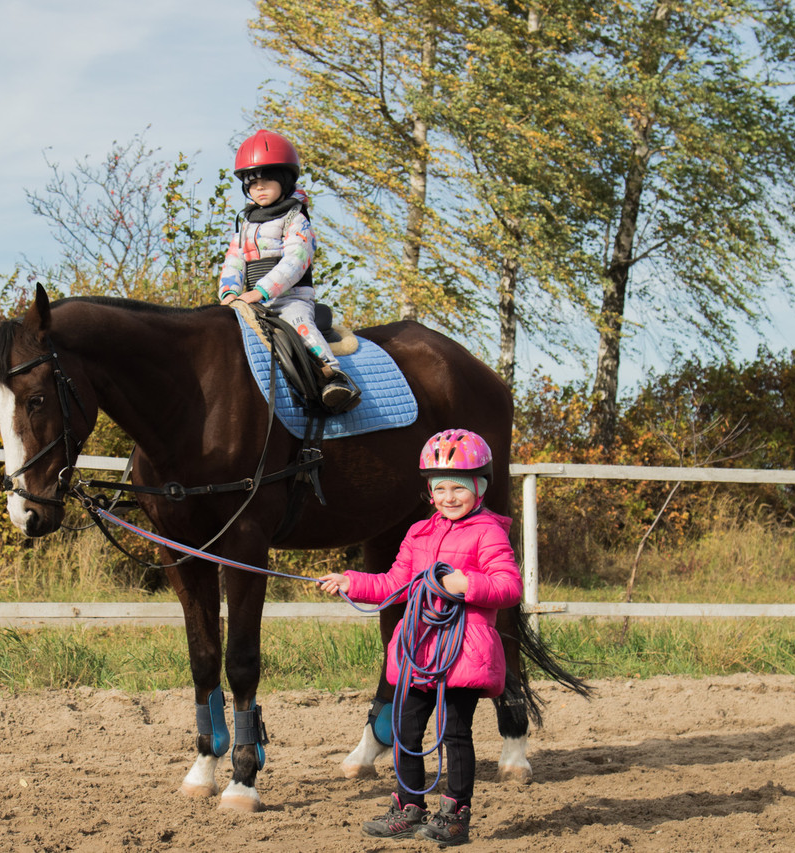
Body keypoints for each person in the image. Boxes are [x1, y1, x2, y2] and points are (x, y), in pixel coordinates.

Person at [317, 429, 522, 846]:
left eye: (459, 488)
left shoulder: (488, 533)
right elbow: (394, 582)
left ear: (480, 488)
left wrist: (470, 584)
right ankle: (409, 806)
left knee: (455, 733)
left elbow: (509, 586)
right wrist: (350, 582)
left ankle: (455, 814)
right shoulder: (419, 533)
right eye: (440, 488)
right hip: (418, 652)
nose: (448, 497)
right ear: (429, 491)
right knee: (405, 729)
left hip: (461, 653)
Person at [219, 129, 358, 412]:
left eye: (267, 180)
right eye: (252, 182)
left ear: (284, 179)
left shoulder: (296, 217)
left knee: (298, 322)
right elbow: (234, 259)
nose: (259, 187)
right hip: (252, 302)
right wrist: (229, 291)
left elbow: (296, 260)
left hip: (289, 297)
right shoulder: (245, 222)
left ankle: (334, 377)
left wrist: (260, 291)